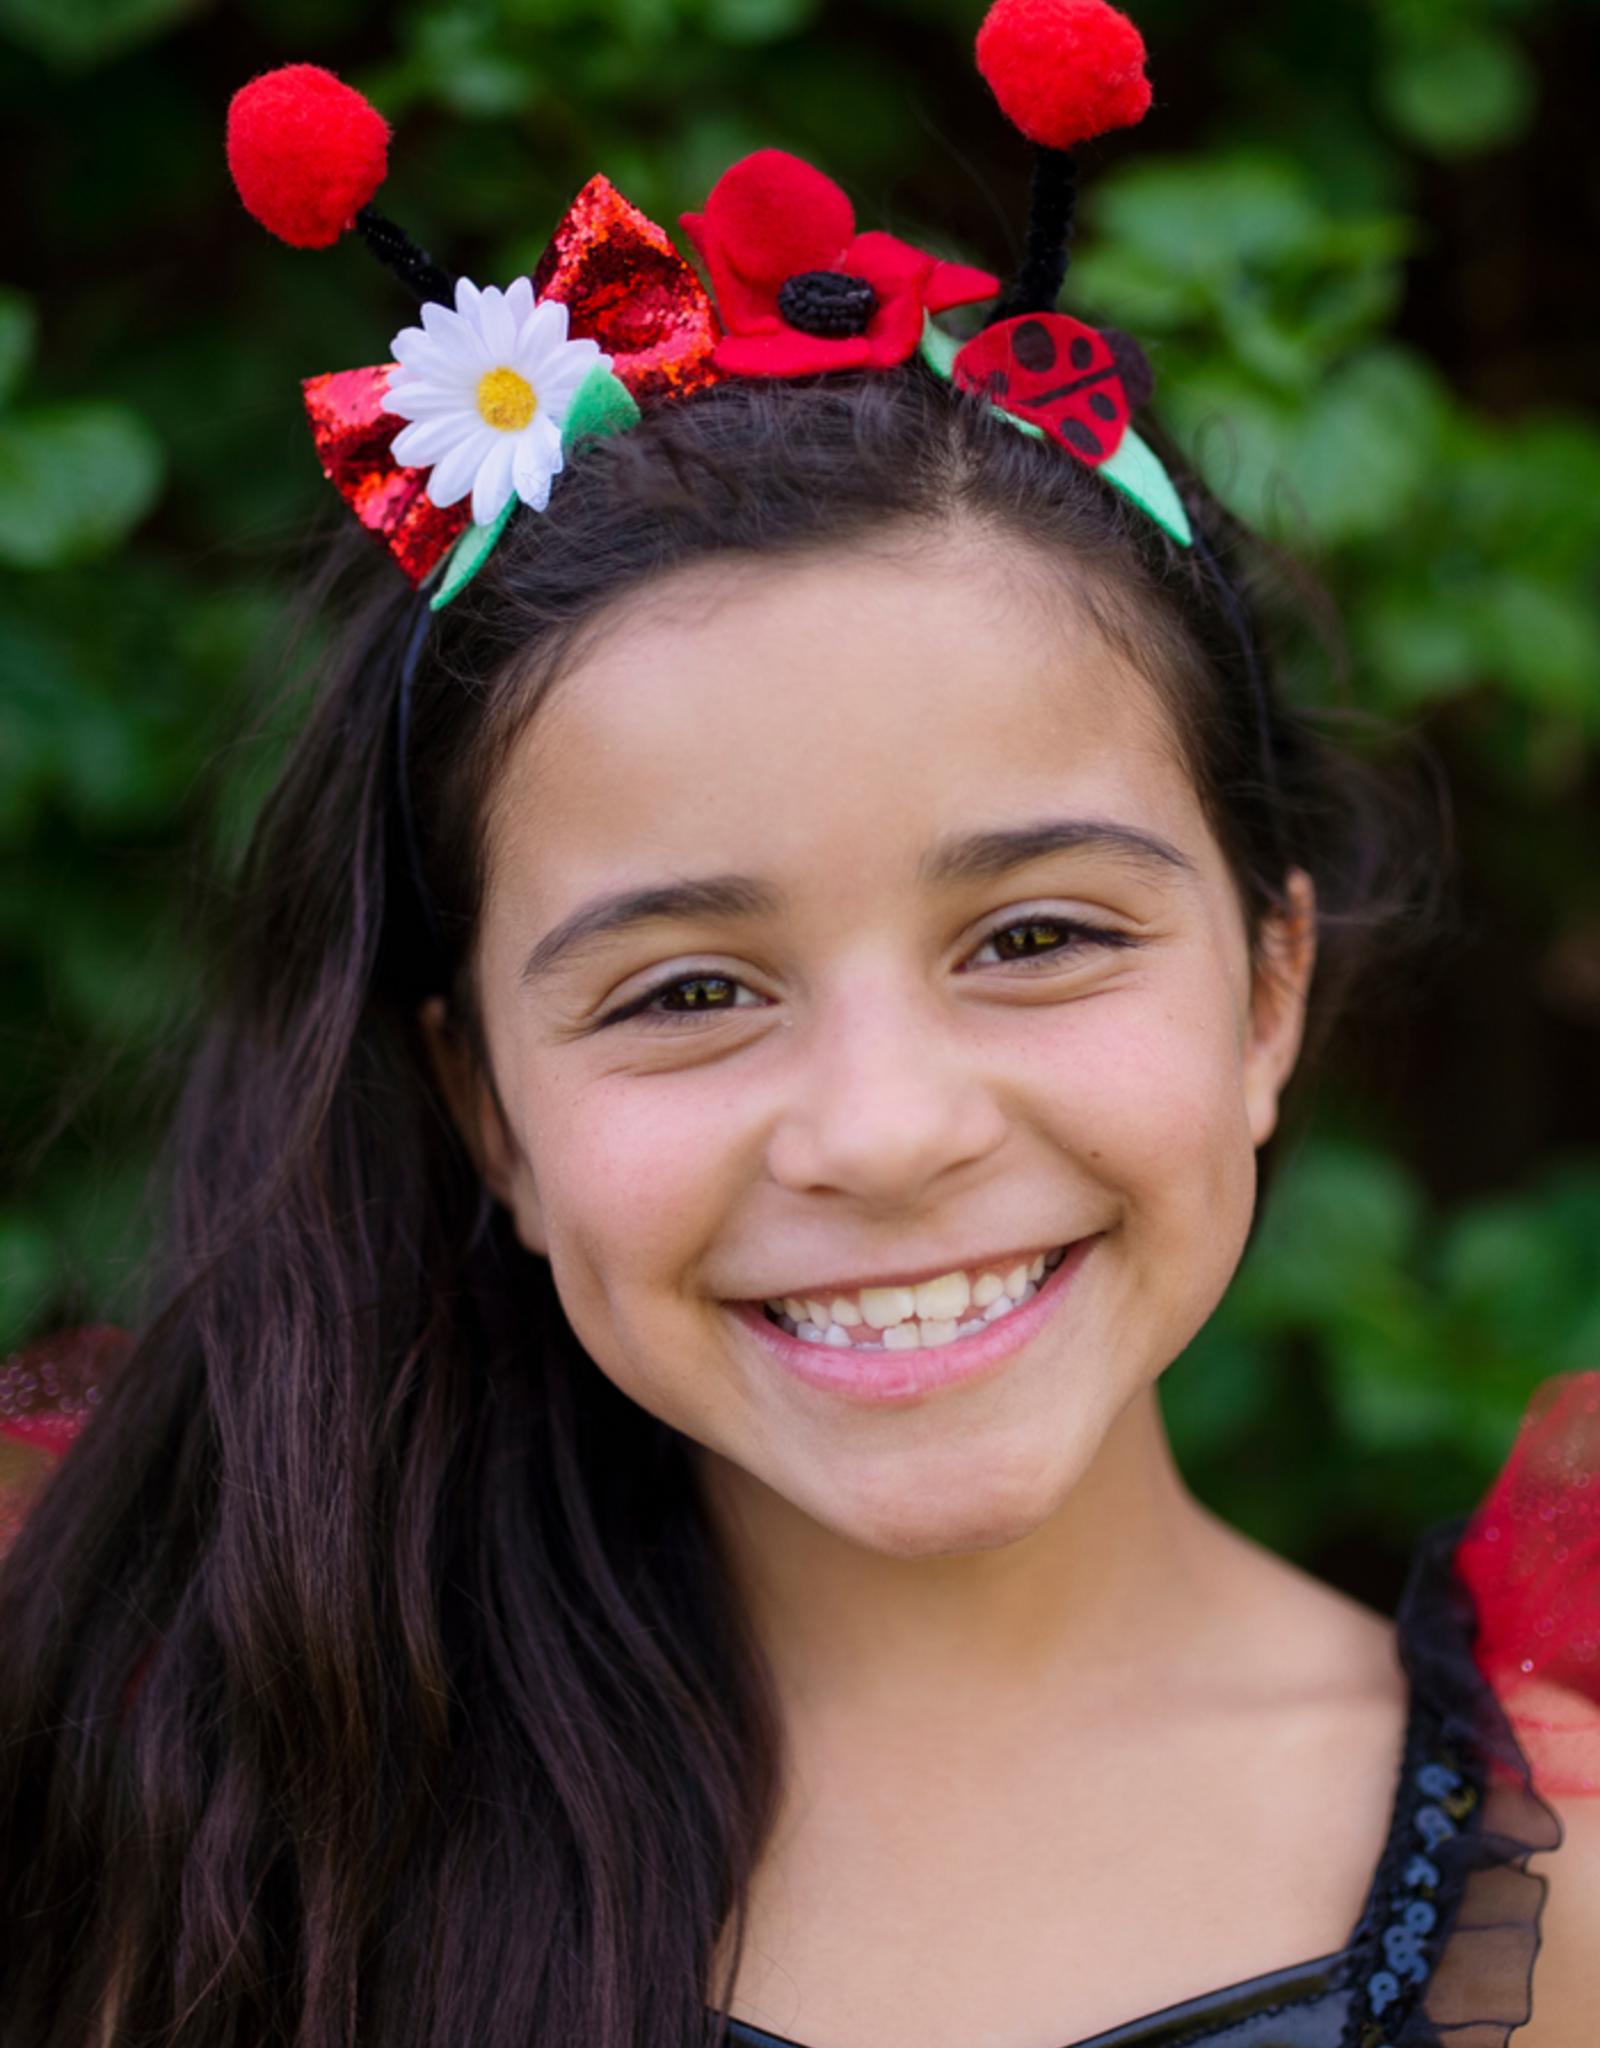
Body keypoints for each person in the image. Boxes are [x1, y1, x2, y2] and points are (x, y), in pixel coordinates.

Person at [1, 5, 1597, 2044]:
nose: (884, 1127)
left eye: (1031, 936)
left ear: (1269, 987)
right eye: (684, 990)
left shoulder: (1560, 1859)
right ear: (477, 1102)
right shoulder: (195, 1831)